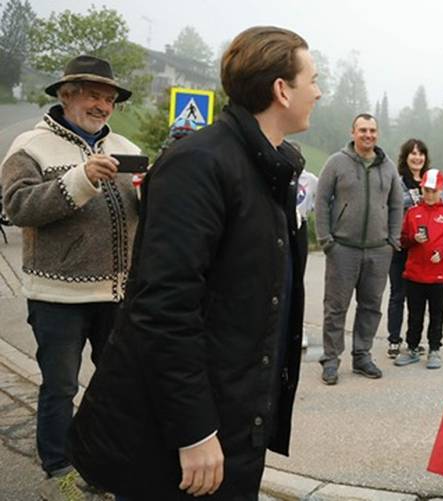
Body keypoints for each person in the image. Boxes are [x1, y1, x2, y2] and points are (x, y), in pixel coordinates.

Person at [66, 26, 321, 499]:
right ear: (281, 89)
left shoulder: (275, 167)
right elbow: (164, 308)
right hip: (180, 434)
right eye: (313, 79)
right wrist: (195, 430)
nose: (320, 91)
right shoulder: (199, 163)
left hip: (240, 416)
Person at [0, 54, 140, 495]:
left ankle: (105, 460)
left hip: (117, 293)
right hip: (57, 295)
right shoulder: (30, 145)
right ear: (66, 95)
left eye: (109, 98)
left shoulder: (128, 149)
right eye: (93, 95)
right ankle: (59, 468)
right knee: (60, 386)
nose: (102, 105)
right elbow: (17, 207)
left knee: (117, 384)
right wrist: (80, 179)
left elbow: (144, 216)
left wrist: (152, 194)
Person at [315, 114, 402, 385]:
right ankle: (331, 359)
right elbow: (321, 200)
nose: (368, 135)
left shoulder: (387, 167)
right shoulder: (336, 162)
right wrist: (326, 239)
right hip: (343, 248)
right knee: (336, 307)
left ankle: (362, 355)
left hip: (378, 250)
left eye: (373, 130)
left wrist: (392, 240)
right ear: (352, 132)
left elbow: (397, 204)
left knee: (371, 306)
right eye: (363, 130)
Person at [395, 169, 443, 369]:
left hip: (439, 276)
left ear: (441, 190)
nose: (430, 194)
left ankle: (434, 349)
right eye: (426, 190)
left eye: (434, 190)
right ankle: (412, 347)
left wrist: (442, 251)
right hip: (414, 274)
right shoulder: (413, 212)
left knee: (436, 314)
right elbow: (403, 240)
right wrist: (413, 239)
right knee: (414, 314)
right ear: (421, 189)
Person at [386, 138, 430, 358]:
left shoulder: (429, 180)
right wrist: (415, 198)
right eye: (413, 153)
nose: (417, 157)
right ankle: (394, 339)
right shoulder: (397, 179)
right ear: (406, 156)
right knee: (397, 294)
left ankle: (414, 340)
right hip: (401, 245)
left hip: (422, 248)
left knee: (417, 297)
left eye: (421, 153)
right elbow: (391, 202)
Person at [296, 167, 318, 349]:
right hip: (274, 224)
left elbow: (320, 203)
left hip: (299, 225)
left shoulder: (310, 179)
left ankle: (298, 327)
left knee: (297, 280)